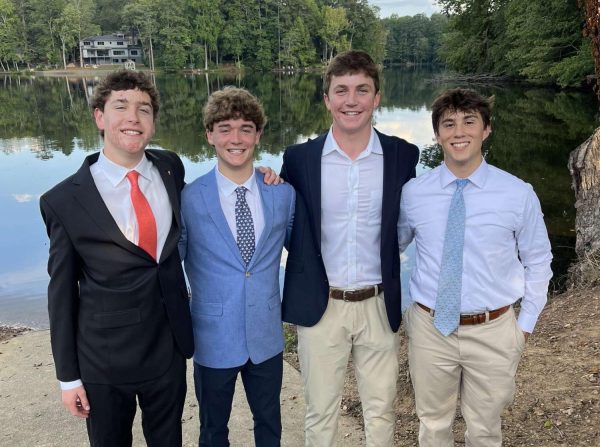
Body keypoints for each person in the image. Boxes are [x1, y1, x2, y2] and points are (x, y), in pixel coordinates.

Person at [39, 70, 194, 446]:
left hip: (167, 350)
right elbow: (61, 294)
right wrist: (68, 377)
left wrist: (259, 176)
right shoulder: (63, 201)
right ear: (99, 117)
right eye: (120, 106)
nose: (133, 118)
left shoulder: (170, 167)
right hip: (104, 360)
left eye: (144, 109)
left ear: (153, 122)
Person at [398, 88, 553, 446]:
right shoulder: (414, 193)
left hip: (494, 329)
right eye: (448, 124)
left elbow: (539, 260)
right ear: (437, 134)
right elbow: (392, 246)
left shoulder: (517, 193)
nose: (459, 132)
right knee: (433, 425)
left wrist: (524, 325)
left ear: (486, 130)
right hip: (430, 328)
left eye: (470, 122)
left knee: (485, 429)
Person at [281, 50, 420, 446]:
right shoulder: (299, 158)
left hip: (379, 303)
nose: (351, 100)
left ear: (377, 98)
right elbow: (290, 226)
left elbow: (406, 226)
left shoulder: (401, 155)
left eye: (362, 90)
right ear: (327, 99)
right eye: (340, 90)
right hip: (321, 305)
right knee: (320, 412)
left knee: (381, 410)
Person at [179, 87, 295, 446]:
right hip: (213, 336)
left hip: (265, 334)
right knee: (213, 430)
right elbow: (171, 262)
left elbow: (305, 253)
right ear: (209, 135)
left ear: (258, 135)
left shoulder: (282, 193)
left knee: (270, 425)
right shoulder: (188, 197)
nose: (236, 138)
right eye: (225, 128)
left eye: (246, 128)